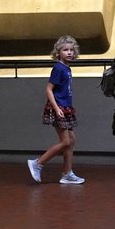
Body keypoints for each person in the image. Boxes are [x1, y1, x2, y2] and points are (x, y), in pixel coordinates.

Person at [27, 35, 85, 185]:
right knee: (66, 141)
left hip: (66, 108)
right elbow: (48, 89)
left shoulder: (67, 68)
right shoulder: (59, 68)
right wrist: (56, 107)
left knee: (71, 141)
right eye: (66, 50)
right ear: (58, 52)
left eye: (72, 50)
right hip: (59, 108)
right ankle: (38, 163)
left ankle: (67, 173)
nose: (70, 52)